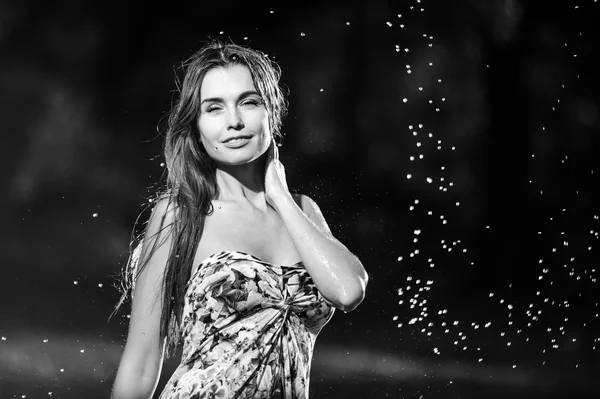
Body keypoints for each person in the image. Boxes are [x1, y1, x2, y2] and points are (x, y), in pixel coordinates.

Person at [110, 39, 369, 399]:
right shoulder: (180, 214)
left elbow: (348, 290)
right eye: (214, 108)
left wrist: (279, 195)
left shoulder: (302, 211)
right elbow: (139, 364)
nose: (234, 122)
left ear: (271, 112)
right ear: (196, 127)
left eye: (248, 102)